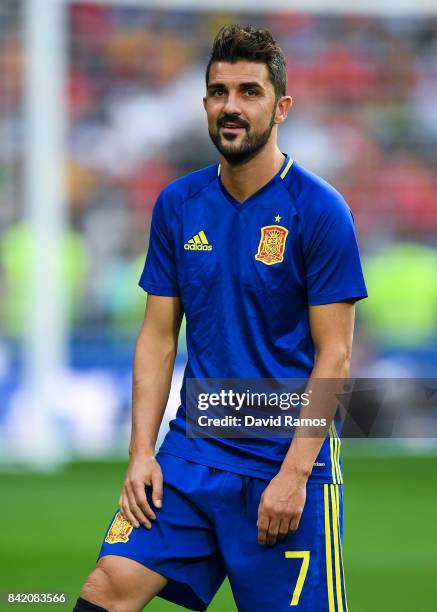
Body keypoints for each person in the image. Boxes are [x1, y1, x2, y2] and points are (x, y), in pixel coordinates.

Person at [74, 24, 367, 612]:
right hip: (193, 451)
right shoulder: (178, 204)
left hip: (283, 459)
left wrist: (293, 476)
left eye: (249, 92)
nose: (231, 107)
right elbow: (158, 337)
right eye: (219, 92)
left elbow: (333, 355)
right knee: (109, 589)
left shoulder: (321, 209)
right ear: (205, 102)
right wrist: (141, 453)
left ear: (280, 106)